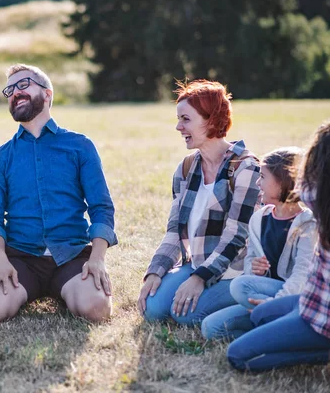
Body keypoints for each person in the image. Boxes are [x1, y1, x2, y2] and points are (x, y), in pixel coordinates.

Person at [0, 64, 117, 326]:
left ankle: (69, 290)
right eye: (9, 90)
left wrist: (97, 259)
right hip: (21, 259)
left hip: (71, 256)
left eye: (23, 85)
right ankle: (28, 289)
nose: (15, 93)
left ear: (47, 94)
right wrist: (0, 260)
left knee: (96, 309)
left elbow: (101, 208)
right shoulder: (0, 157)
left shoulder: (80, 146)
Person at [137, 80, 260, 325]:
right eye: (178, 119)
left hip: (235, 271)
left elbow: (236, 237)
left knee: (186, 315)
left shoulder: (246, 168)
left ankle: (251, 303)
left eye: (185, 119)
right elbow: (174, 231)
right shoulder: (186, 168)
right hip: (196, 263)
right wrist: (155, 271)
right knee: (153, 309)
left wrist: (199, 278)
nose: (178, 127)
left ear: (211, 120)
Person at [227, 121, 330, 371]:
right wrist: (255, 269)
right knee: (258, 313)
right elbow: (302, 187)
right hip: (307, 302)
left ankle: (320, 350)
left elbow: (300, 274)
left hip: (319, 320)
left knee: (239, 356)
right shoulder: (316, 207)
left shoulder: (310, 219)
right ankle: (277, 324)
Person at [202, 147, 316, 340]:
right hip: (265, 295)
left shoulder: (308, 225)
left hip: (292, 299)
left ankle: (283, 320)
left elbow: (301, 277)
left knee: (239, 286)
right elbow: (250, 264)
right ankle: (276, 329)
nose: (257, 182)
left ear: (283, 181)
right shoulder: (259, 219)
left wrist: (273, 305)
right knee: (210, 328)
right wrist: (256, 270)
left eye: (262, 177)